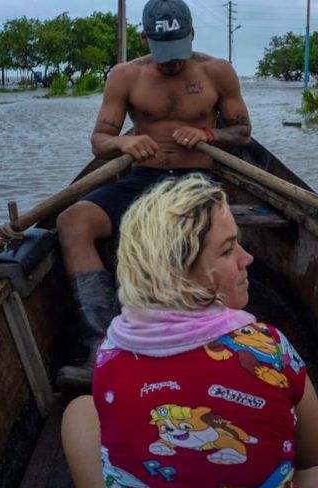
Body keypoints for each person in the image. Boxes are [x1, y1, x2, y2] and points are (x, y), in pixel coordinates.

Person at [61, 175, 318, 488]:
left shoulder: (111, 350)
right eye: (228, 249)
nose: (247, 258)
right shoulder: (269, 347)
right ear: (182, 271)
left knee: (80, 412)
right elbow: (310, 455)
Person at [55, 0, 252, 389]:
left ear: (192, 35)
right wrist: (124, 145)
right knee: (72, 221)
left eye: (178, 52)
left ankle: (215, 342)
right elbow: (99, 140)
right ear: (145, 38)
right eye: (163, 53)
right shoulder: (125, 76)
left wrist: (208, 135)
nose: (172, 64)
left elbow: (243, 132)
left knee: (188, 238)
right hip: (142, 180)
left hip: (196, 183)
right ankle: (101, 345)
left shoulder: (217, 72)